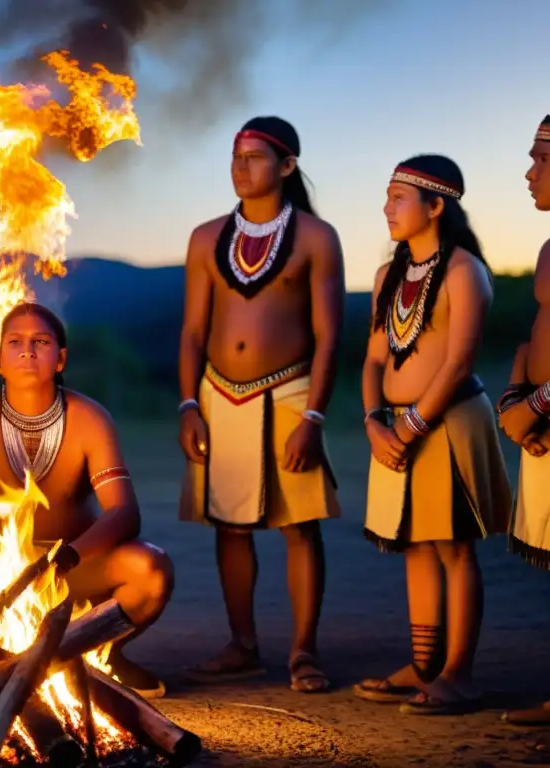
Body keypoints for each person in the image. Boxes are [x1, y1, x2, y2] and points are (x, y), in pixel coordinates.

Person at [0, 302, 174, 699]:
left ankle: (101, 656)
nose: (27, 350)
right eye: (15, 342)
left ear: (60, 359)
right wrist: (1, 564)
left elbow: (124, 513)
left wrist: (66, 559)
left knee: (150, 569)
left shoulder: (89, 418)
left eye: (41, 342)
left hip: (73, 569)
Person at [176, 116, 345, 694]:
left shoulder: (317, 238)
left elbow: (329, 336)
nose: (239, 167)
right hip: (218, 394)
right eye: (234, 156)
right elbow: (193, 332)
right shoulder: (205, 237)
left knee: (300, 526)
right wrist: (187, 406)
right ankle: (243, 645)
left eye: (253, 157)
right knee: (229, 526)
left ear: (288, 166)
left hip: (292, 392)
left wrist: (314, 417)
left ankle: (304, 651)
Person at [353, 154, 511, 716]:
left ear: (436, 205)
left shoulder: (466, 271)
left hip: (448, 423)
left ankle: (458, 675)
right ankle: (423, 667)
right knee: (415, 544)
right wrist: (375, 423)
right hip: (395, 428)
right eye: (387, 196)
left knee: (453, 547)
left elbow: (458, 362)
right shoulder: (386, 276)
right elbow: (374, 360)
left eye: (398, 197)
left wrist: (411, 426)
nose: (386, 208)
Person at [499, 115, 550, 728]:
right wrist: (517, 397)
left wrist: (535, 407)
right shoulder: (545, 248)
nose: (529, 172)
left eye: (540, 159)